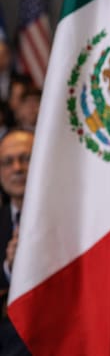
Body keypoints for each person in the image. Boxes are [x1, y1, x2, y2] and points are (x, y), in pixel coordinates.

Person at [0, 129, 33, 356]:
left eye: (26, 158)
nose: (17, 169)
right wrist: (10, 268)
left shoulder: (70, 221)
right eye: (7, 162)